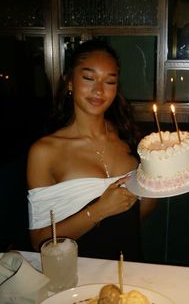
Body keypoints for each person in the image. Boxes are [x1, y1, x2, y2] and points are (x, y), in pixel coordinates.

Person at [27, 39, 157, 261]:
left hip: (131, 269)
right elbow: (40, 241)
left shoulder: (130, 138)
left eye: (109, 82)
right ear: (69, 82)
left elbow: (137, 217)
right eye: (88, 78)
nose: (98, 90)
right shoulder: (44, 151)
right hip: (76, 277)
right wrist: (98, 211)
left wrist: (158, 184)